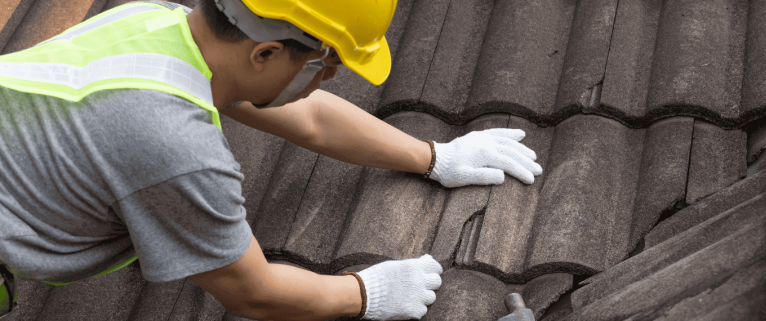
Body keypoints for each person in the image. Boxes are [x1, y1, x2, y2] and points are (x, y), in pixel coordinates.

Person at [0, 0, 542, 320]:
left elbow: (311, 119)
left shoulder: (156, 20)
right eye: (326, 63)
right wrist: (364, 293)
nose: (329, 78)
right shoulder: (175, 149)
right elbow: (250, 290)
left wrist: (433, 156)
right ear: (264, 52)